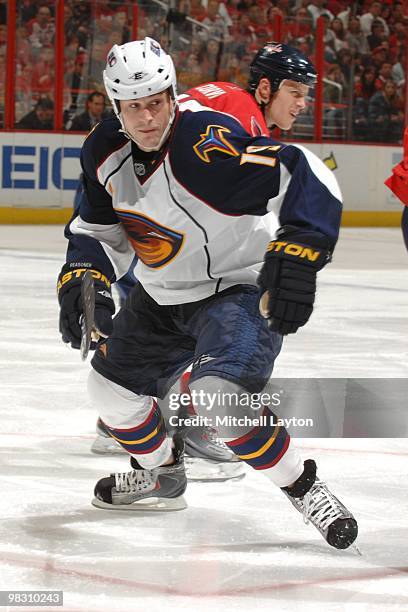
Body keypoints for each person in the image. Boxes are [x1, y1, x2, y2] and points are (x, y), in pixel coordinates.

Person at [57, 38, 357, 550]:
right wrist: (82, 271)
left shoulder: (206, 145)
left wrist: (303, 245)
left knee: (218, 398)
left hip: (235, 289)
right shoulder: (102, 153)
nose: (149, 118)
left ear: (173, 94)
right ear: (116, 109)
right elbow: (96, 228)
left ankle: (304, 486)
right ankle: (160, 473)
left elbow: (305, 168)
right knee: (107, 393)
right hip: (161, 295)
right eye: (135, 107)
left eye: (157, 101)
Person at [90, 42, 319, 478]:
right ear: (266, 87)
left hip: (151, 229)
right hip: (151, 231)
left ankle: (123, 420)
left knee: (170, 332)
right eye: (295, 91)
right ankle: (193, 436)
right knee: (203, 327)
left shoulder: (222, 97)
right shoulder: (240, 109)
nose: (302, 104)